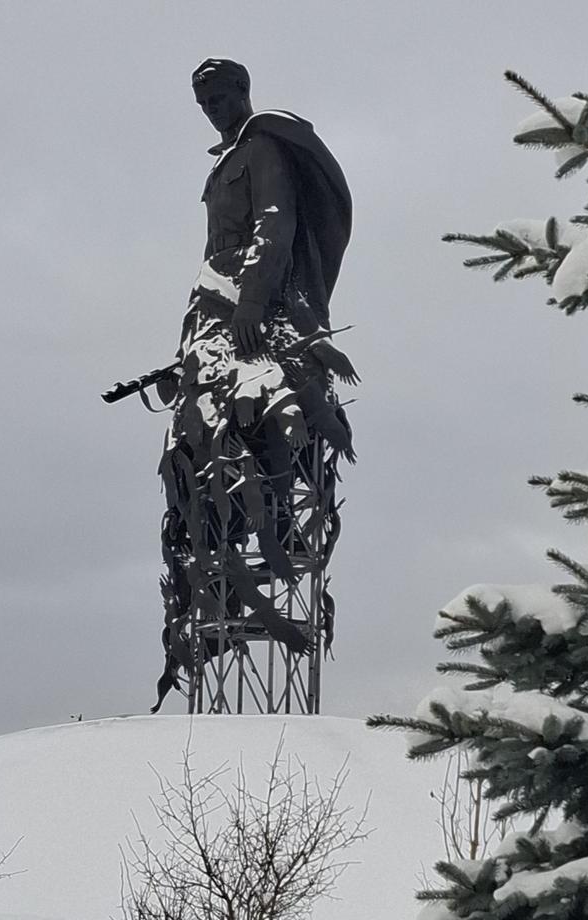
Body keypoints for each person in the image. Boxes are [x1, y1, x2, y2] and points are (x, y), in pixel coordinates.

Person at [149, 59, 354, 712]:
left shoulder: (264, 146)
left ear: (245, 92)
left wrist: (251, 307)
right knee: (200, 451)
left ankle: (276, 533)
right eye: (203, 100)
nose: (212, 106)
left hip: (257, 319)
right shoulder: (223, 160)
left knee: (263, 420)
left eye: (221, 95)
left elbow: (275, 227)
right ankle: (225, 560)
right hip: (213, 314)